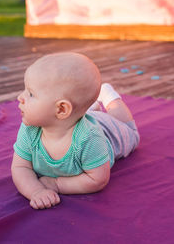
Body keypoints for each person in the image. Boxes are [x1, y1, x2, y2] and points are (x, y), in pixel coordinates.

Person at [11, 52, 140, 209]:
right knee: (88, 114)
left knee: (130, 131)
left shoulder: (89, 138)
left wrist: (57, 184)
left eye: (30, 94)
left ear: (62, 109)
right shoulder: (30, 128)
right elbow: (20, 167)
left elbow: (97, 179)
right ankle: (90, 109)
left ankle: (109, 97)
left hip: (109, 129)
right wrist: (36, 191)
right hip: (76, 117)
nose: (20, 97)